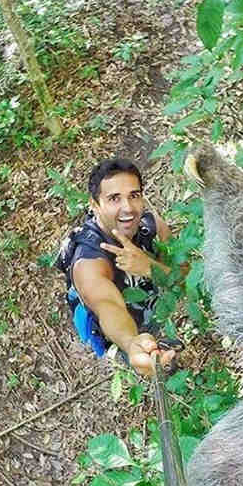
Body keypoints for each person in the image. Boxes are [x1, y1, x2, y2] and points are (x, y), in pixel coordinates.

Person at [57, 158, 175, 376]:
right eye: (114, 199)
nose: (128, 208)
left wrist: (150, 267)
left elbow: (183, 275)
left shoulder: (153, 226)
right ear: (95, 205)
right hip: (121, 333)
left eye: (134, 195)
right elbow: (107, 304)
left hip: (154, 308)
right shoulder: (88, 261)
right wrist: (130, 344)